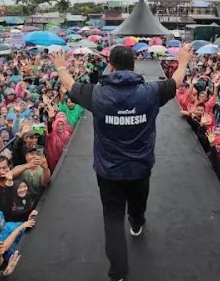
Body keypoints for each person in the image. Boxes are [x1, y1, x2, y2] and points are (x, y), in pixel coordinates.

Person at [50, 44, 192, 281]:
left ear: (111, 65)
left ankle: (118, 273)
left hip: (109, 171)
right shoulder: (150, 92)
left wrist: (61, 65)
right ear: (133, 65)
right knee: (138, 203)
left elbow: (70, 85)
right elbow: (175, 81)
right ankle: (137, 222)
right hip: (140, 168)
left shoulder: (97, 94)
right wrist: (184, 61)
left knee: (113, 219)